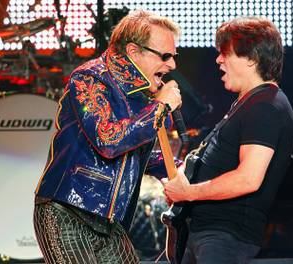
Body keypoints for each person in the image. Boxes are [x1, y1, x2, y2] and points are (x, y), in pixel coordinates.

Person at [33, 10, 182, 263]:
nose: (172, 65)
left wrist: (182, 169)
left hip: (109, 220)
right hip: (68, 210)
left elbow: (131, 152)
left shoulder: (141, 93)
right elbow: (109, 139)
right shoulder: (90, 79)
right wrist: (161, 107)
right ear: (134, 52)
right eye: (165, 56)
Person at [162, 17, 293, 264]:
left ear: (252, 59)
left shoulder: (267, 106)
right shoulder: (251, 103)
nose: (218, 60)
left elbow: (248, 178)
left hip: (224, 238)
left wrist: (189, 192)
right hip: (209, 235)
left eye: (225, 53)